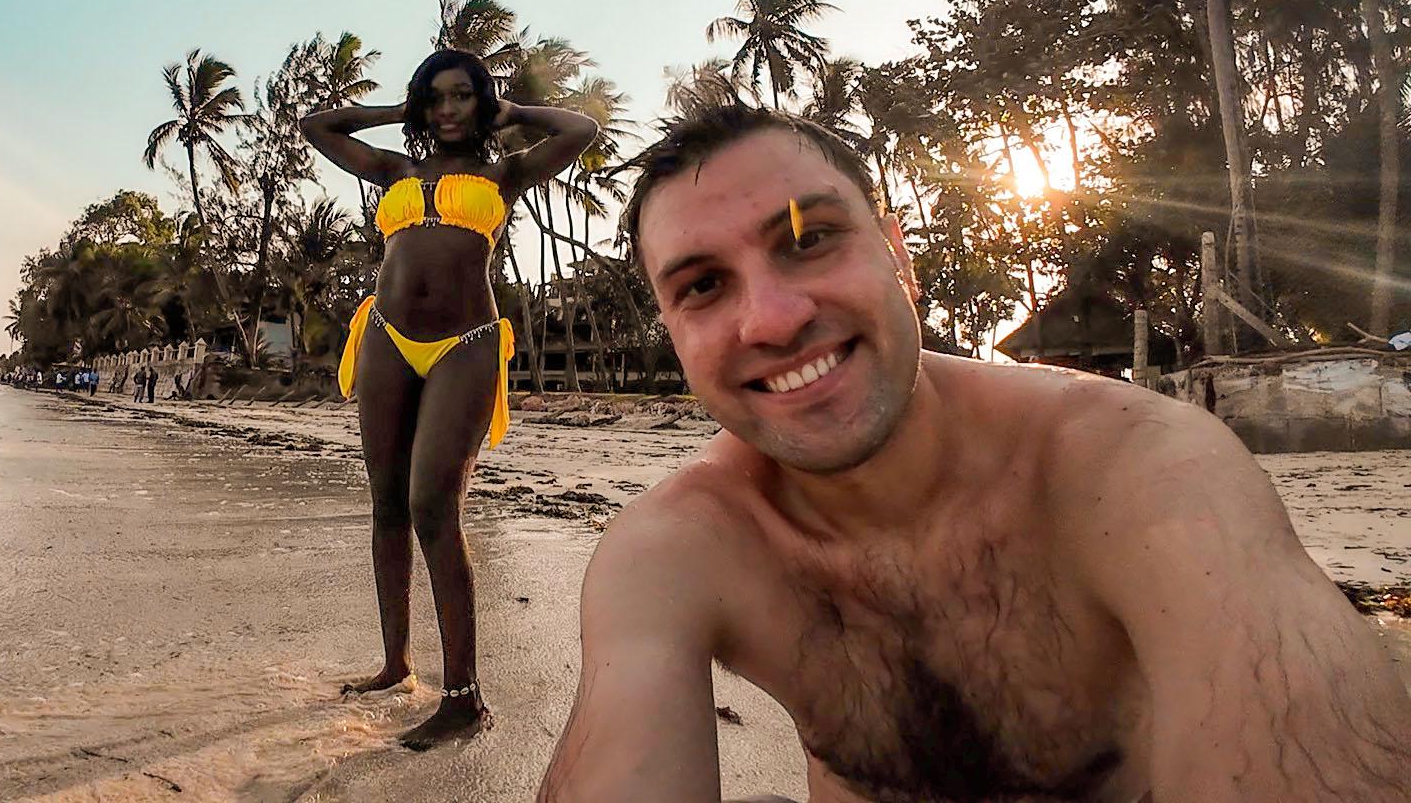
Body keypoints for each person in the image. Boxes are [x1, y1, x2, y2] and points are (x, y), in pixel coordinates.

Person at [538, 105, 1411, 802]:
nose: (771, 318)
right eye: (702, 286)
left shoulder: (1136, 469)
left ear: (899, 258)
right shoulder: (681, 548)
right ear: (674, 332)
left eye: (809, 240)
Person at [301, 48, 599, 750]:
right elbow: (318, 125)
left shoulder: (506, 172)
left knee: (433, 503)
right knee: (385, 502)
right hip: (384, 336)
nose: (447, 109)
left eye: (462, 96)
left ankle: (463, 697)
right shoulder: (393, 170)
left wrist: (513, 111)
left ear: (480, 102)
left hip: (465, 342)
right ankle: (395, 664)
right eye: (435, 98)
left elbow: (579, 129)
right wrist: (394, 112)